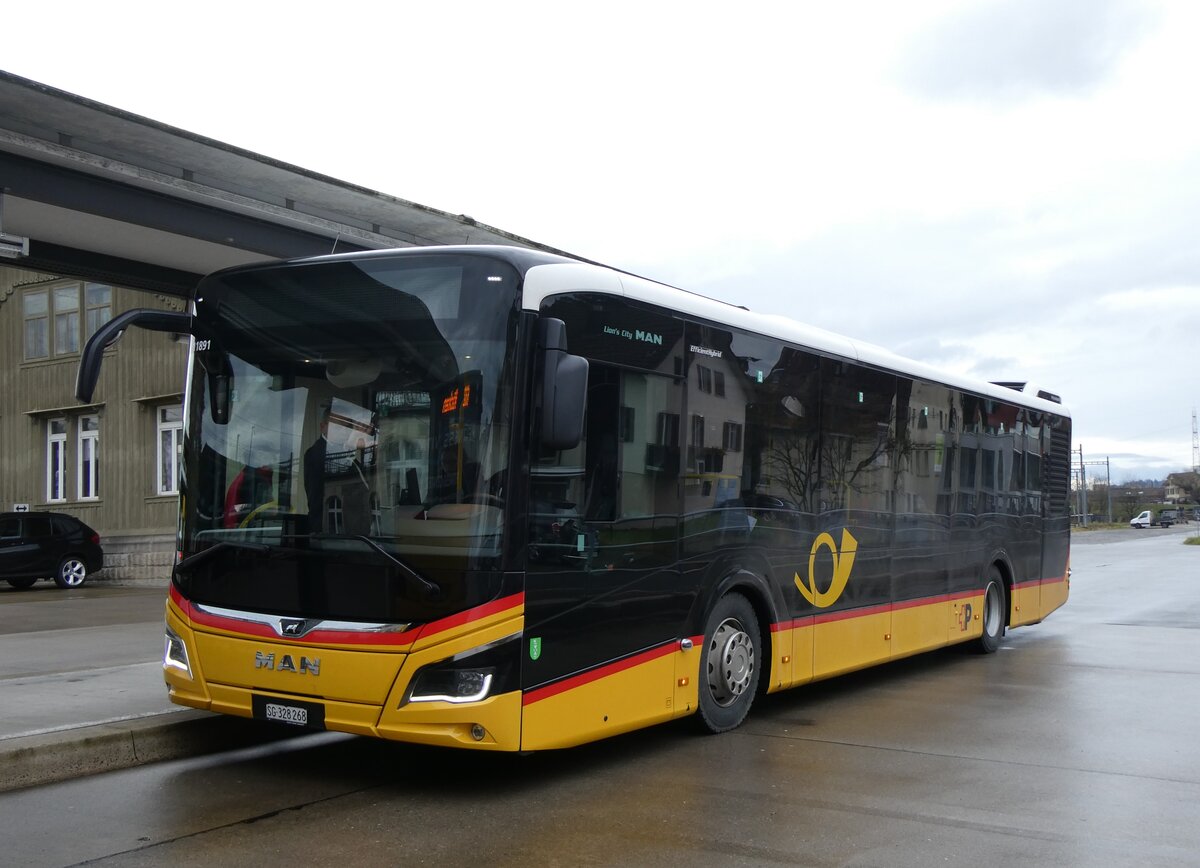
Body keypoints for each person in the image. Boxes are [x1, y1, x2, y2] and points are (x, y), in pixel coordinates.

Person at [304, 405, 330, 531]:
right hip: (326, 528)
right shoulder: (315, 453)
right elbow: (315, 498)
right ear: (322, 427)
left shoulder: (346, 452)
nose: (342, 431)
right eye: (337, 426)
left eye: (346, 427)